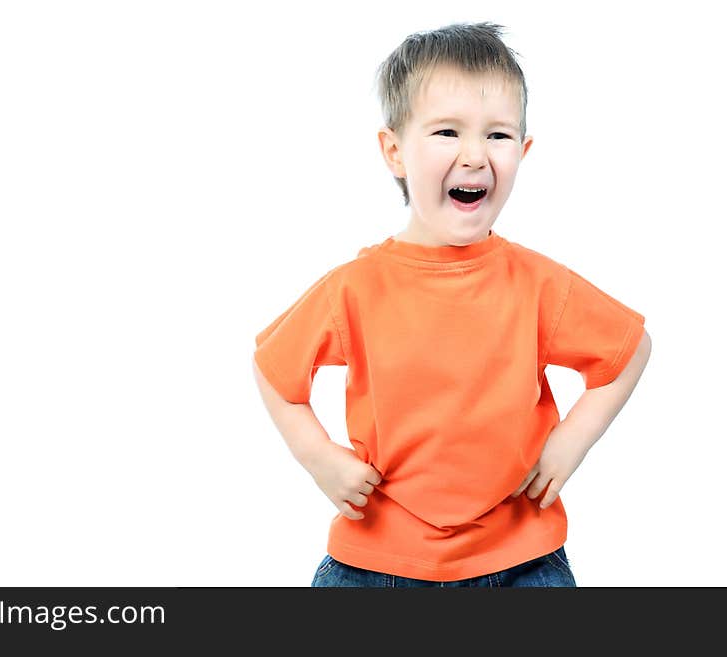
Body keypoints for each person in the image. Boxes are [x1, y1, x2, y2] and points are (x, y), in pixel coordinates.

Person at [251, 22, 651, 587]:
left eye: (498, 135)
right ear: (394, 151)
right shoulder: (355, 288)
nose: (474, 156)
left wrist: (568, 444)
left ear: (523, 151)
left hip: (521, 560)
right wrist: (318, 457)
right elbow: (273, 371)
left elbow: (629, 350)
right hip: (374, 562)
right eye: (446, 132)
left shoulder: (538, 284)